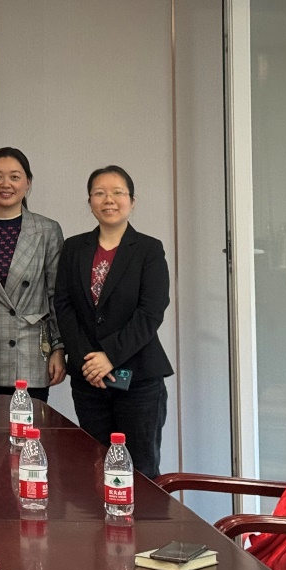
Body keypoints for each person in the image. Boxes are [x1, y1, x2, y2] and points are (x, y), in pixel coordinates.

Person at [55, 165, 172, 478]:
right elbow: (63, 306)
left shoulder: (149, 249)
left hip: (138, 380)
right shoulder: (73, 248)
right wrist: (87, 360)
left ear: (132, 201)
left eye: (118, 192)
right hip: (89, 380)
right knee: (94, 468)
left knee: (140, 471)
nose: (109, 199)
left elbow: (151, 311)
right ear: (90, 202)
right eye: (100, 193)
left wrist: (109, 356)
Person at [0, 147, 66, 402]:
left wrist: (58, 347)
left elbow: (56, 294)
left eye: (14, 177)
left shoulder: (47, 230)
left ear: (28, 182)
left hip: (29, 352)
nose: (6, 184)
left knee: (27, 425)